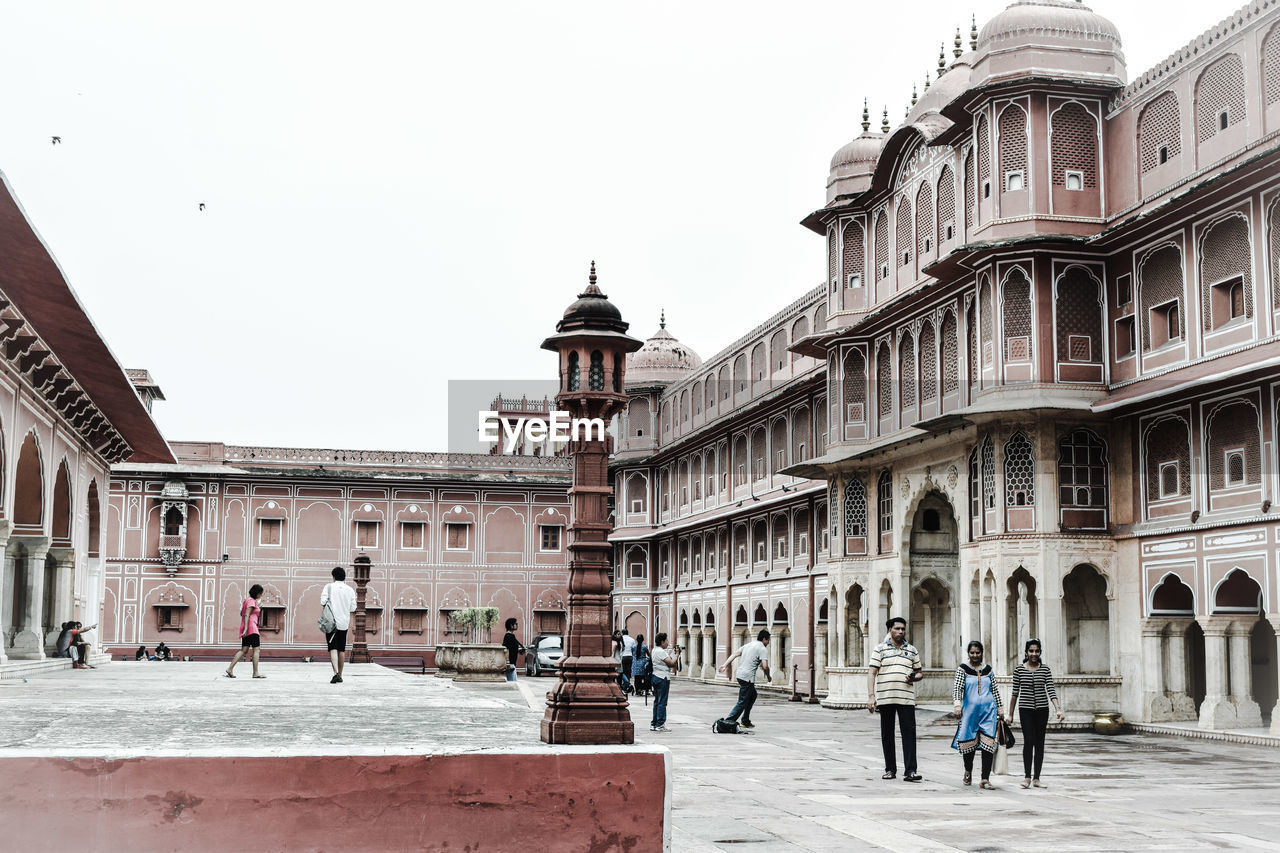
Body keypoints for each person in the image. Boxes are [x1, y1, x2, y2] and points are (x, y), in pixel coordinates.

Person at [867, 616, 925, 782]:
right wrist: (871, 696)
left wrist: (913, 677)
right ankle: (890, 769)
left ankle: (910, 770)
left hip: (905, 698)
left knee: (909, 734)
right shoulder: (880, 649)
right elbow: (872, 672)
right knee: (887, 734)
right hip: (886, 697)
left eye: (903, 629)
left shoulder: (912, 650)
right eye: (897, 628)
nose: (901, 631)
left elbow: (920, 673)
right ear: (889, 630)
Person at [1007, 638, 1065, 789]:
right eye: (1031, 651)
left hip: (1042, 710)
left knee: (1039, 742)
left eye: (1037, 651)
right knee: (1029, 741)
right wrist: (1010, 714)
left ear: (1040, 652)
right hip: (1025, 710)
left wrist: (1058, 708)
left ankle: (1036, 778)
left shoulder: (1045, 669)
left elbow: (1050, 690)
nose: (1034, 653)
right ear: (1026, 652)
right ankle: (1027, 777)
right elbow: (1015, 693)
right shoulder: (1019, 669)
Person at [951, 640, 1003, 789]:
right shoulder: (963, 669)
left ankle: (985, 779)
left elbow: (995, 690)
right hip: (969, 713)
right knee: (969, 743)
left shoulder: (988, 670)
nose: (975, 655)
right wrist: (957, 705)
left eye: (977, 653)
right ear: (968, 654)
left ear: (982, 653)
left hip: (988, 713)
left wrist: (1000, 709)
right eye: (972, 653)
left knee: (988, 745)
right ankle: (968, 771)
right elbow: (957, 688)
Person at [718, 629, 770, 729]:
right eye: (768, 640)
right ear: (764, 639)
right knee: (742, 701)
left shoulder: (748, 645)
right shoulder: (762, 649)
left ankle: (745, 720)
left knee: (752, 695)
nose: (768, 643)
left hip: (740, 674)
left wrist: (725, 665)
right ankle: (728, 722)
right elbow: (765, 666)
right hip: (747, 677)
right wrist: (768, 677)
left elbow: (734, 654)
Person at [321, 566, 358, 684]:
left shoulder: (329, 587)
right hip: (344, 623)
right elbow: (353, 608)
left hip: (331, 622)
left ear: (333, 576)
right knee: (341, 649)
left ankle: (336, 673)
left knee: (332, 648)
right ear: (344, 577)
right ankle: (340, 675)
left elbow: (322, 602)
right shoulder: (350, 590)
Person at [226, 584, 264, 678]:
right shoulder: (251, 601)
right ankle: (255, 673)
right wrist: (247, 628)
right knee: (256, 650)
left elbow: (241, 613)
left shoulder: (247, 601)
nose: (261, 595)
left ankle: (230, 669)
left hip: (246, 628)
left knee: (244, 650)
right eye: (260, 593)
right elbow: (247, 614)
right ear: (257, 593)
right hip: (252, 628)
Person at [649, 632, 679, 732]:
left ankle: (654, 723)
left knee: (657, 701)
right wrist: (677, 654)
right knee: (662, 701)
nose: (668, 642)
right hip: (663, 678)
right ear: (662, 642)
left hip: (655, 676)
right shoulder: (661, 651)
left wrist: (673, 654)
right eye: (666, 640)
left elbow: (666, 659)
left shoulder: (654, 650)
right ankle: (660, 724)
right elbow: (671, 663)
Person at [502, 617, 524, 682]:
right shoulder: (508, 636)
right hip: (510, 663)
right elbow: (506, 649)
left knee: (513, 681)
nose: (517, 625)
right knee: (513, 682)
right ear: (511, 625)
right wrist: (508, 663)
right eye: (516, 624)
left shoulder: (511, 636)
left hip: (512, 663)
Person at [620, 629, 636, 694]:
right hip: (629, 656)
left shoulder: (621, 639)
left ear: (622, 633)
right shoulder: (632, 640)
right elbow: (633, 648)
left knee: (622, 671)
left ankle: (624, 684)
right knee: (628, 671)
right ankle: (627, 684)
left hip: (623, 656)